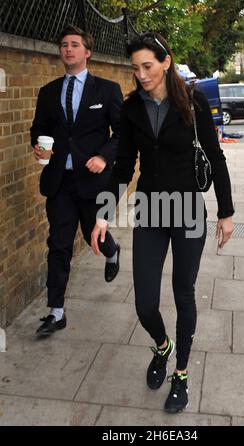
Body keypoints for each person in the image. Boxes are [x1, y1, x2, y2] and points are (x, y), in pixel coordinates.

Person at [91, 32, 234, 414]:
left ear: (166, 61)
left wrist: (226, 212)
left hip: (187, 211)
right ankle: (162, 346)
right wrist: (104, 213)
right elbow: (123, 167)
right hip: (151, 213)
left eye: (147, 66)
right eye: (135, 68)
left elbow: (216, 158)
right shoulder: (131, 107)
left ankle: (182, 373)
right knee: (144, 303)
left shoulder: (193, 101)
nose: (141, 75)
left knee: (183, 293)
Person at [30, 25, 123, 337]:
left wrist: (104, 156)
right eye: (64, 45)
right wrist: (38, 147)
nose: (68, 49)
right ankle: (56, 311)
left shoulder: (107, 90)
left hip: (93, 180)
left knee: (91, 236)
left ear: (87, 52)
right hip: (60, 181)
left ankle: (112, 251)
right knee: (58, 243)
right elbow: (38, 128)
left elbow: (123, 134)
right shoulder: (48, 92)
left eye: (74, 45)